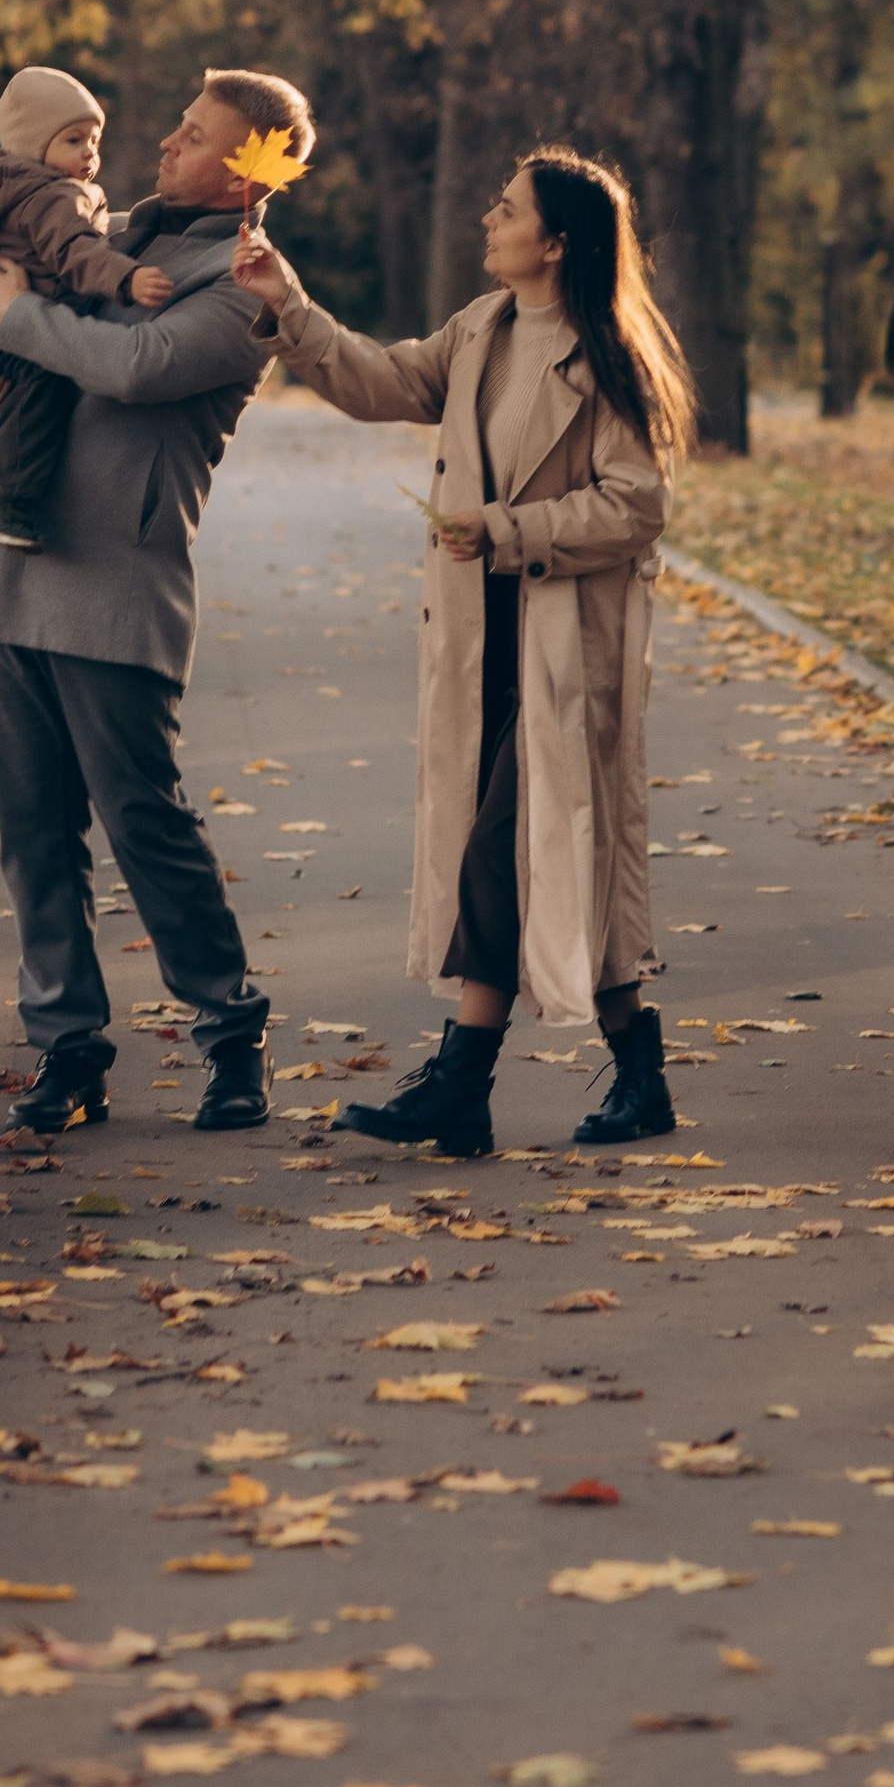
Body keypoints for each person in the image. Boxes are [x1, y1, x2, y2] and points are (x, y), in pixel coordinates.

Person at [232, 144, 695, 1160]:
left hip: (566, 641)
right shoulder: (483, 328)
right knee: (541, 852)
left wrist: (506, 528)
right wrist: (289, 302)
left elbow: (637, 504)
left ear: (555, 241)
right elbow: (382, 379)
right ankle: (627, 1079)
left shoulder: (606, 352)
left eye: (507, 208)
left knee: (509, 851)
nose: (489, 219)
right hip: (483, 632)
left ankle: (465, 1082)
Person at [0, 67, 309, 1138]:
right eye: (175, 128)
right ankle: (66, 1047)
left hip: (115, 585)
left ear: (244, 166)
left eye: (192, 136)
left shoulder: (242, 283)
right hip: (1, 580)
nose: (164, 146)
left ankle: (229, 1031)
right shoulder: (95, 227)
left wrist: (19, 313)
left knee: (145, 822)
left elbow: (133, 366)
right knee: (30, 830)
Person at [0, 65, 178, 600]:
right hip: (14, 336)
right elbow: (78, 253)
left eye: (94, 141)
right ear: (34, 144)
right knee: (39, 400)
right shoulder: (60, 198)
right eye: (74, 140)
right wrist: (125, 279)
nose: (89, 155)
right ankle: (5, 507)